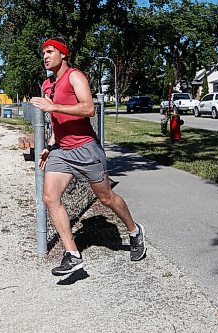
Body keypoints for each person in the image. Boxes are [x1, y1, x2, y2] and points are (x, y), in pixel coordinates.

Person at [30, 37, 147, 276]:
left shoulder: (75, 76)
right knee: (50, 197)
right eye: (43, 53)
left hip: (85, 148)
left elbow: (88, 108)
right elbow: (57, 122)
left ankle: (134, 231)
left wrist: (53, 107)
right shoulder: (46, 84)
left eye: (50, 51)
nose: (45, 56)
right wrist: (51, 145)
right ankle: (72, 255)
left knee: (106, 198)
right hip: (61, 151)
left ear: (63, 54)